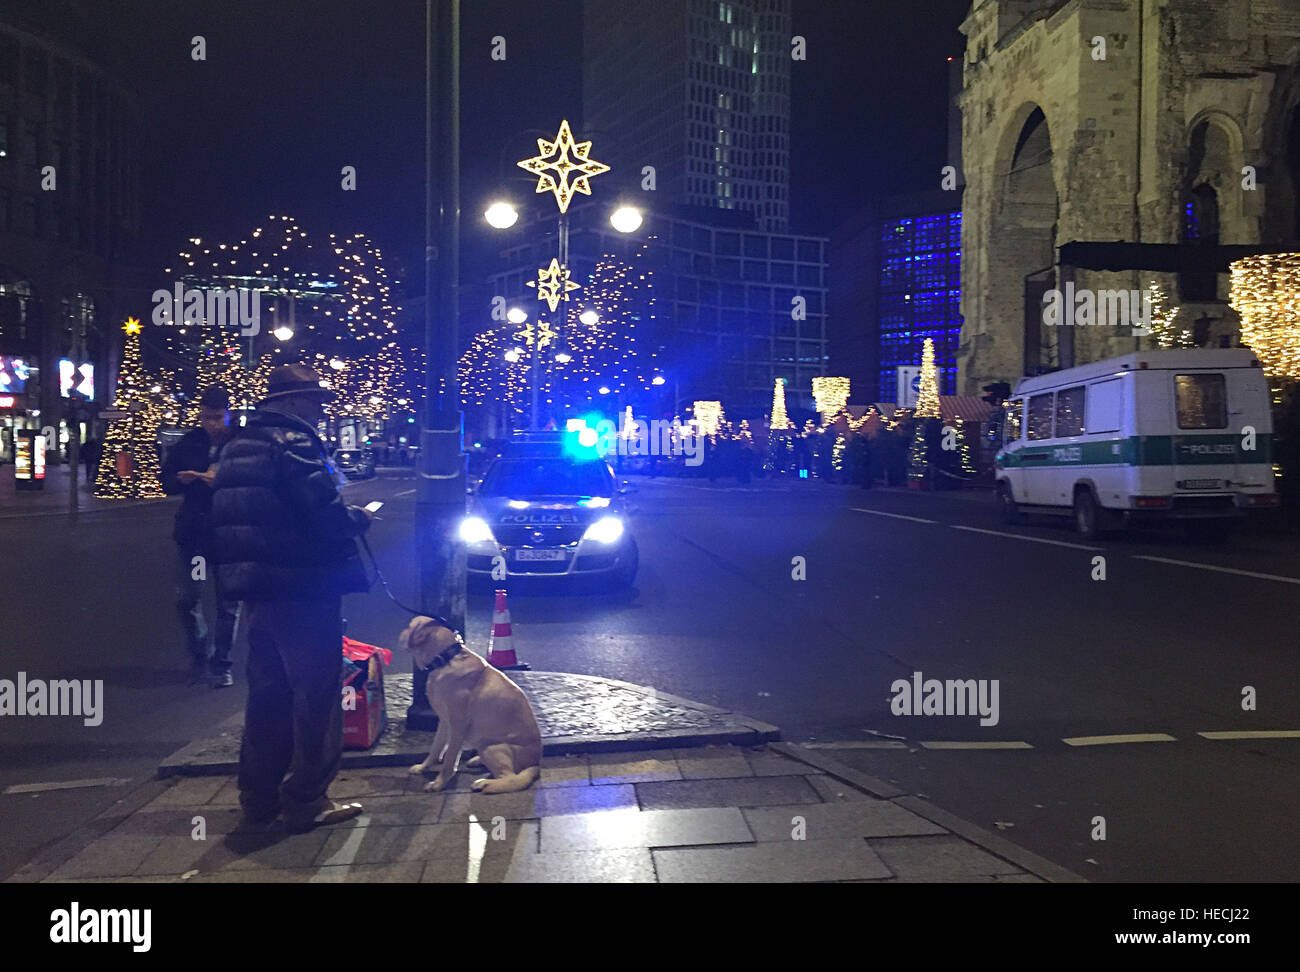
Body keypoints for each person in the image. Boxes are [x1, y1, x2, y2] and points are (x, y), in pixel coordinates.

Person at [211, 364, 370, 832]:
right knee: (316, 695)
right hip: (303, 589)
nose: (320, 412)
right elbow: (325, 517)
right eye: (315, 402)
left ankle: (258, 799)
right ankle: (307, 798)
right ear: (294, 402)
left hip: (259, 593)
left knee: (267, 695)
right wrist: (357, 520)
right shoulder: (295, 444)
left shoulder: (236, 445)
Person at [161, 385, 241, 687]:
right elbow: (167, 480)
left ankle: (221, 663)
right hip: (195, 536)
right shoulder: (189, 442)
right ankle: (199, 652)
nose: (213, 424)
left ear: (228, 414)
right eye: (208, 417)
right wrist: (184, 480)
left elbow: (253, 478)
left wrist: (222, 480)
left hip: (227, 536)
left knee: (228, 604)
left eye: (218, 418)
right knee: (189, 598)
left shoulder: (239, 443)